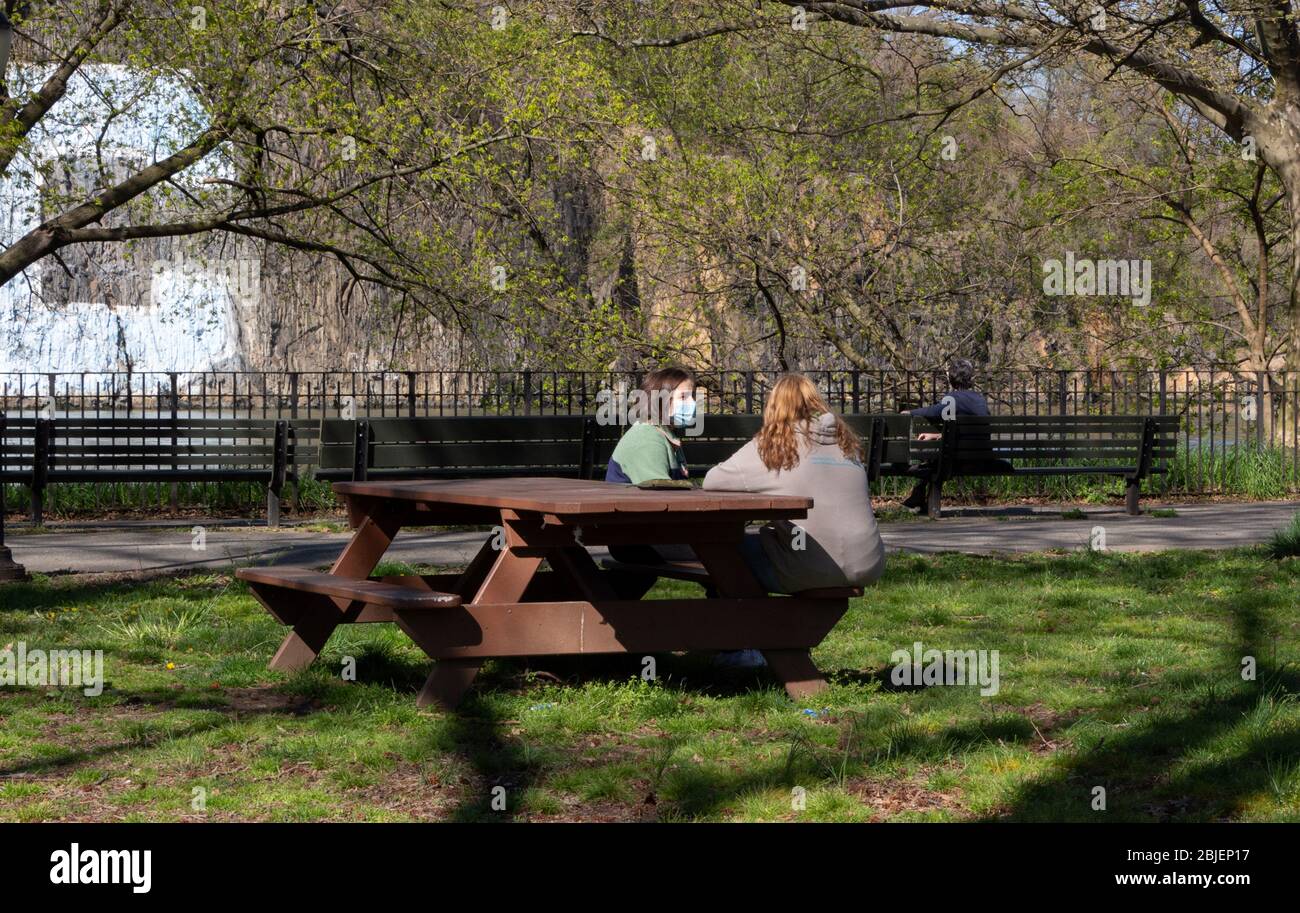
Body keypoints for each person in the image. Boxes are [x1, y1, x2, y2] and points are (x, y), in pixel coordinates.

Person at [703, 372, 886, 599]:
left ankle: (737, 626)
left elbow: (712, 480)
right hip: (869, 563)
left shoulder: (773, 446)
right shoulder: (846, 445)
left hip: (808, 566)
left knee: (718, 552)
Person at [605, 366, 697, 564]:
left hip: (651, 533)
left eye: (692, 397)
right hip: (638, 539)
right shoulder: (647, 438)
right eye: (683, 397)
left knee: (729, 548)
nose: (692, 404)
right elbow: (661, 499)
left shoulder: (663, 434)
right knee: (728, 549)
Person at [900, 358, 992, 514]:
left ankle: (918, 495)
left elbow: (935, 411)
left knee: (935, 458)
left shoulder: (952, 398)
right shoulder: (980, 399)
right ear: (970, 379)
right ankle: (918, 495)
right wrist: (937, 435)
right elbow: (964, 431)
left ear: (951, 379)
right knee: (939, 456)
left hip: (959, 461)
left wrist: (911, 412)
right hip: (980, 458)